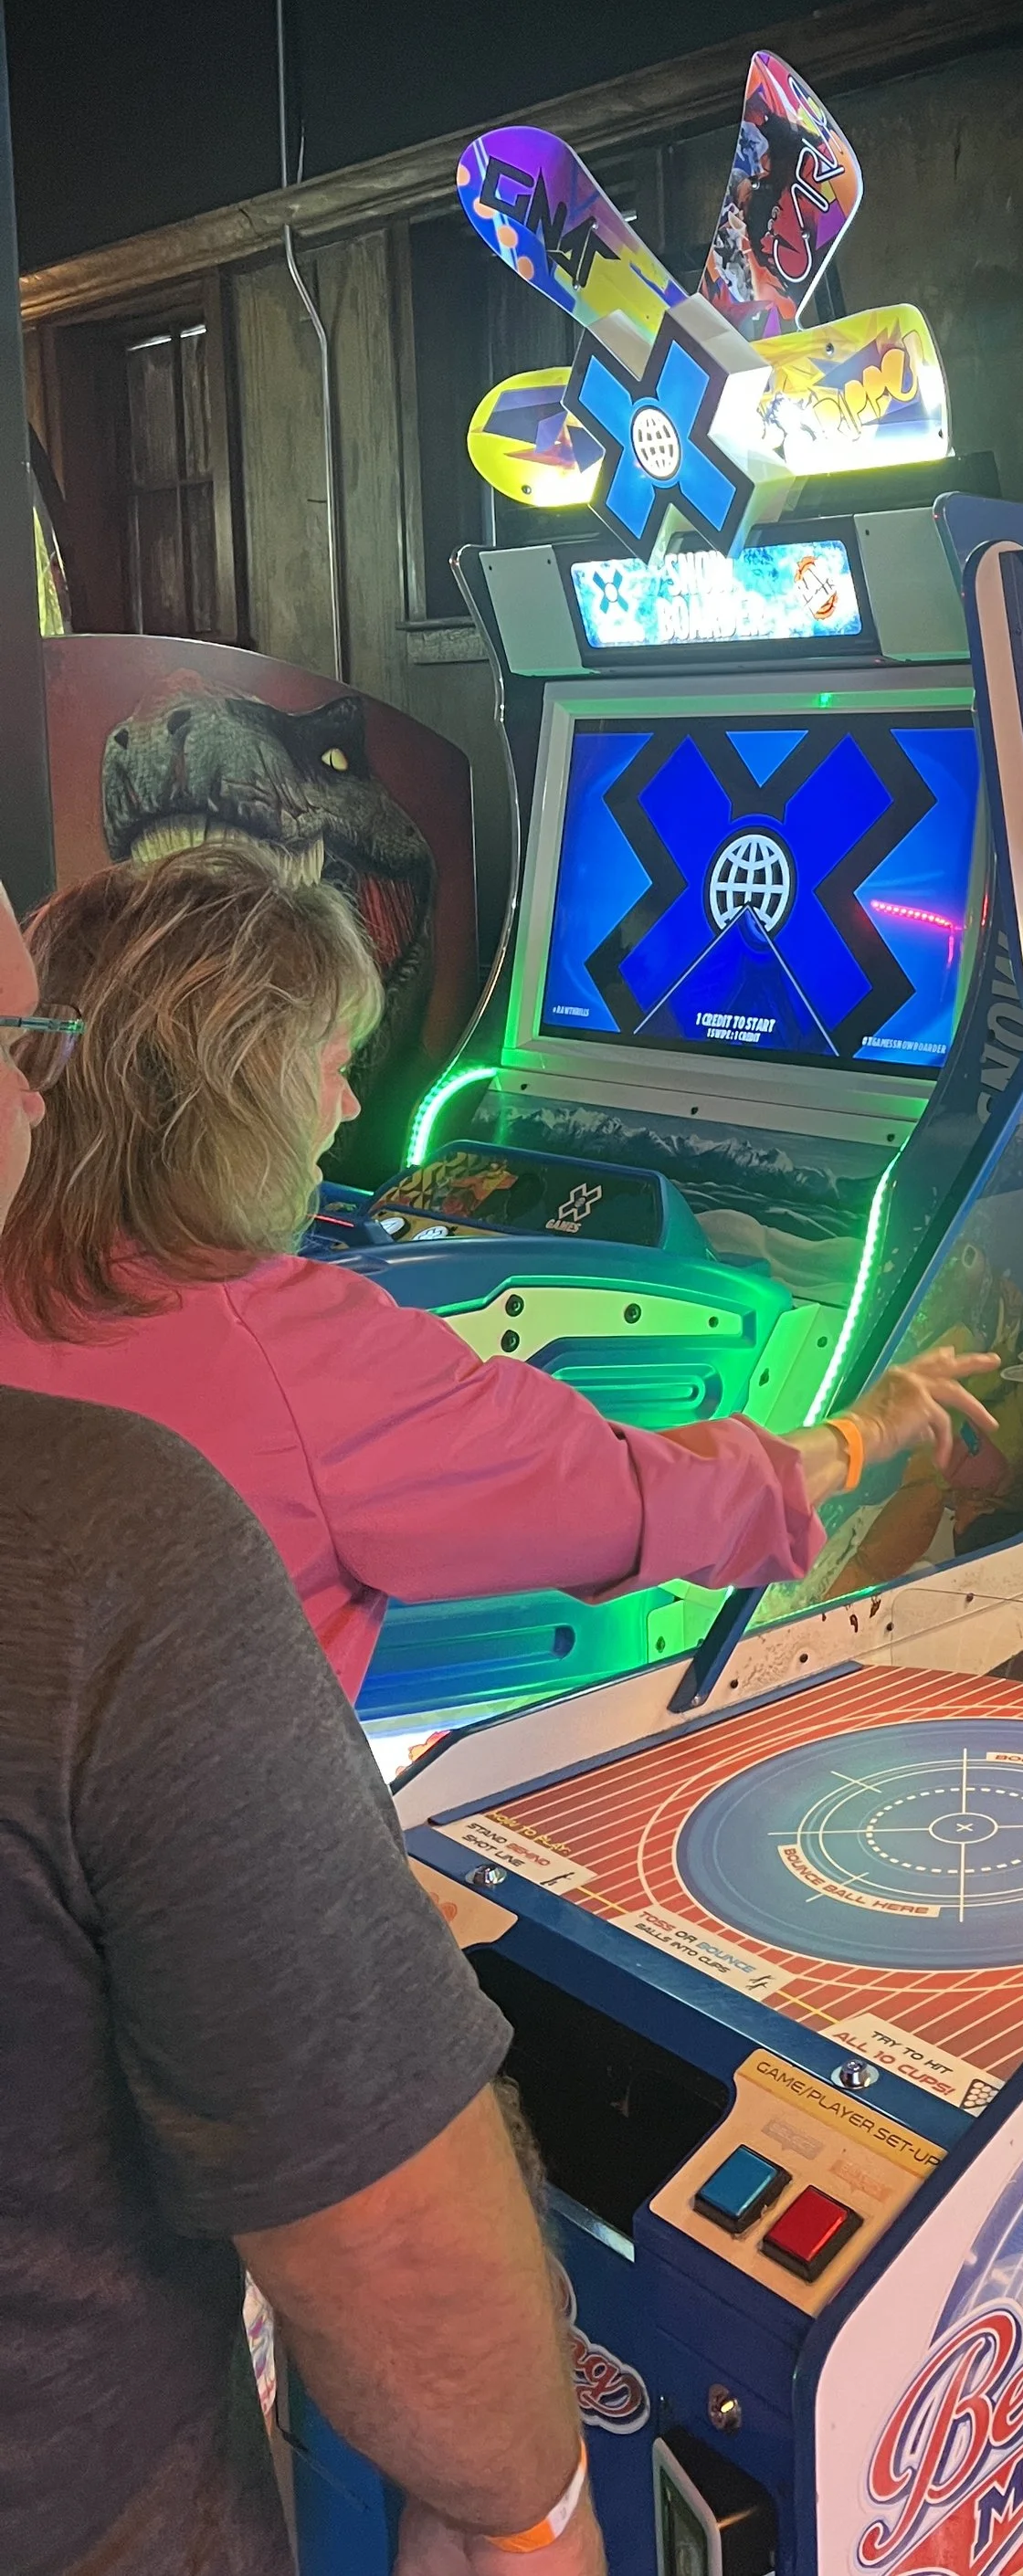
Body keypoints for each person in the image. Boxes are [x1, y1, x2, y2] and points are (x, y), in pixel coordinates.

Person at [0, 868, 606, 2572]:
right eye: (334, 1055)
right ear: (243, 1078)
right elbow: (384, 2221)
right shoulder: (141, 1503)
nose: (360, 1098)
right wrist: (527, 2498)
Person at [0, 846, 997, 1697]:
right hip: (211, 1876)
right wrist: (859, 1436)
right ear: (241, 1100)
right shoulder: (299, 1353)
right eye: (336, 1066)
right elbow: (635, 1498)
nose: (348, 1113)